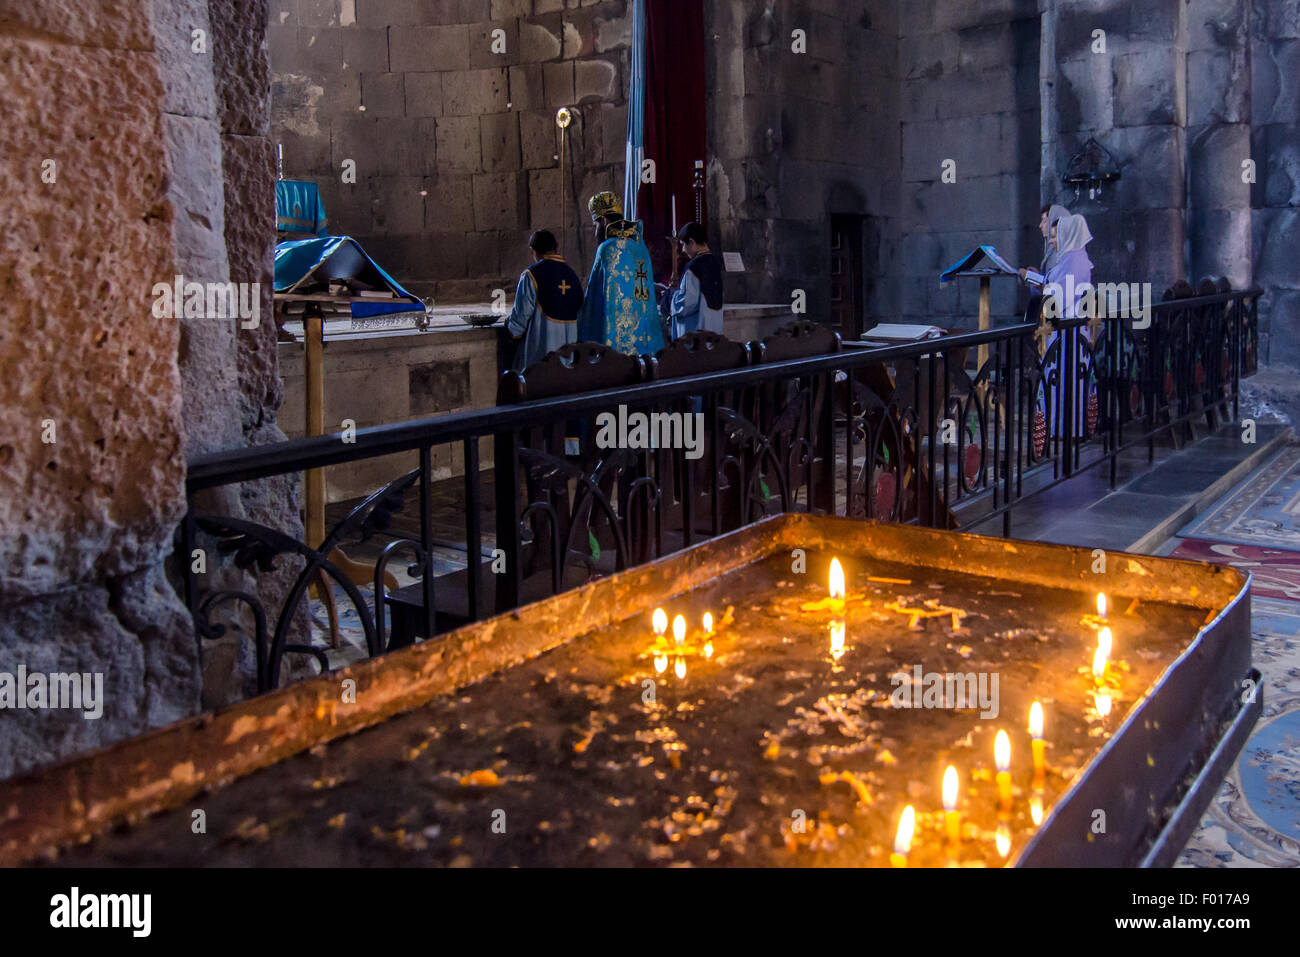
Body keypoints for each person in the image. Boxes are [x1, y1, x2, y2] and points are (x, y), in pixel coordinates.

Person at [576, 191, 666, 356]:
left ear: (603, 221)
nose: (596, 231)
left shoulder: (606, 248)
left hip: (613, 339)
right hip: (643, 335)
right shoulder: (640, 247)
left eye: (596, 225)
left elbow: (594, 293)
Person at [505, 229, 583, 372]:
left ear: (533, 251)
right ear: (556, 247)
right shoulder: (572, 275)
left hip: (539, 361)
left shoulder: (531, 275)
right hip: (568, 361)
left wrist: (510, 329)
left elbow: (519, 320)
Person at [661, 221, 724, 340]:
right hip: (713, 328)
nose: (683, 250)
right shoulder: (715, 262)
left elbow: (687, 303)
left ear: (691, 242)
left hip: (694, 332)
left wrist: (670, 296)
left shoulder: (694, 266)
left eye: (683, 245)